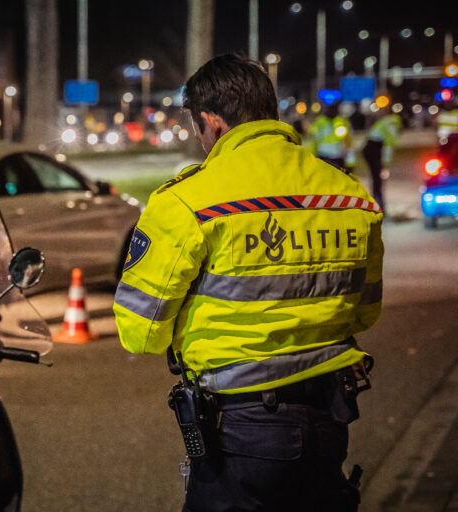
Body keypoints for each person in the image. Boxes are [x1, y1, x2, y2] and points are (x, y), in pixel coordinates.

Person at [113, 54, 383, 512]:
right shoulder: (347, 194)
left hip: (238, 431)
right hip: (328, 418)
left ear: (213, 123)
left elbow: (139, 331)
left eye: (199, 131)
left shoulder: (188, 201)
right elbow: (365, 311)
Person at [362, 111, 402, 213]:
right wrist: (385, 165)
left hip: (370, 148)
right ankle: (378, 204)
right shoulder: (393, 126)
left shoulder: (388, 121)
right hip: (373, 149)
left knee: (376, 178)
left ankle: (377, 202)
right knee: (377, 179)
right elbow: (388, 147)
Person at [306, 101, 355, 171]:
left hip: (335, 157)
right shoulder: (320, 122)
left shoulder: (341, 122)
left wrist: (350, 162)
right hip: (325, 157)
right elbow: (313, 140)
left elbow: (348, 143)